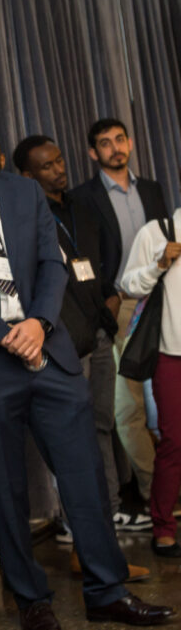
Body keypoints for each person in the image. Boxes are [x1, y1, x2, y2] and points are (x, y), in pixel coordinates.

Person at [0, 90, 175, 630]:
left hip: (50, 350)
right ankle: (30, 598)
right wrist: (1, 333)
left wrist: (38, 323)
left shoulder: (23, 193)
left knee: (84, 476)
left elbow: (49, 261)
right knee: (7, 490)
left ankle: (107, 591)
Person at [14, 135, 151, 534]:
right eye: (47, 165)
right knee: (71, 431)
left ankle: (107, 513)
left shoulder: (82, 207)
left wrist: (109, 295)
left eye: (60, 160)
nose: (59, 169)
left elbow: (99, 262)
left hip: (100, 332)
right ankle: (76, 522)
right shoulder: (28, 218)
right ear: (26, 175)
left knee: (102, 424)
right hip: (65, 341)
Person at [70, 119, 171, 504]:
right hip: (120, 305)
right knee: (128, 406)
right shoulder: (83, 197)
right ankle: (154, 491)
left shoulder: (152, 189)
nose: (115, 148)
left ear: (130, 142)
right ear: (94, 153)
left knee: (168, 397)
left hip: (162, 299)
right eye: (105, 143)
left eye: (120, 139)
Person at [121, 207, 181, 557]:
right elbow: (128, 284)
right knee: (174, 440)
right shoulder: (158, 230)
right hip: (170, 352)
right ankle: (164, 528)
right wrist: (158, 264)